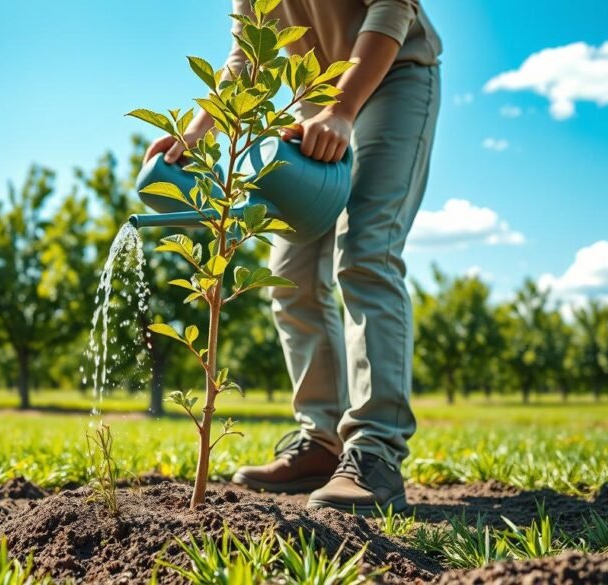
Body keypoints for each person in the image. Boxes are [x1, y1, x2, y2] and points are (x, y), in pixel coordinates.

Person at [143, 0, 441, 515]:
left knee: (366, 250)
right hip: (317, 107)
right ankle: (322, 443)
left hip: (394, 76)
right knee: (289, 273)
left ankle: (375, 451)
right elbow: (247, 54)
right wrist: (196, 133)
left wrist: (342, 110)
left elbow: (394, 7)